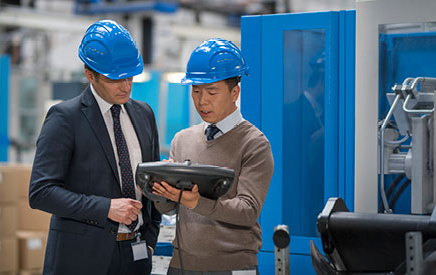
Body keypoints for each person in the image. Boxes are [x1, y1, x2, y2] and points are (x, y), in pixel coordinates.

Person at [29, 20, 161, 275]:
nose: (126, 86)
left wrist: (151, 239)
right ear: (90, 75)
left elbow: (150, 183)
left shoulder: (144, 114)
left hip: (136, 256)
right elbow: (41, 192)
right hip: (83, 259)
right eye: (116, 79)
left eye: (130, 76)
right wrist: (106, 208)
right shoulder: (65, 118)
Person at [152, 38, 274, 274]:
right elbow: (167, 210)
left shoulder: (254, 144)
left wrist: (196, 202)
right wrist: (161, 190)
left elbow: (248, 211)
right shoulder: (182, 139)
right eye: (196, 91)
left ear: (234, 92)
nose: (202, 100)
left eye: (212, 92)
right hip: (181, 265)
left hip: (231, 267)